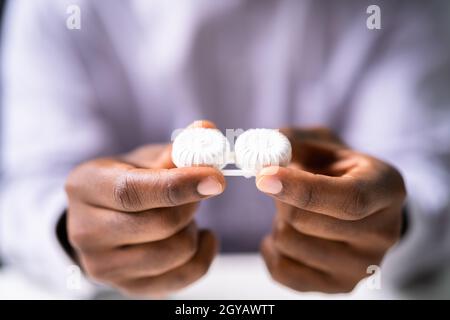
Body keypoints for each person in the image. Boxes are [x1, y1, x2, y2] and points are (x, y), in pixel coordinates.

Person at [1, 0, 449, 298]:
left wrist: (393, 222)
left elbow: (429, 173)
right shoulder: (57, 10)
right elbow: (27, 185)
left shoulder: (399, 8)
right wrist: (71, 230)